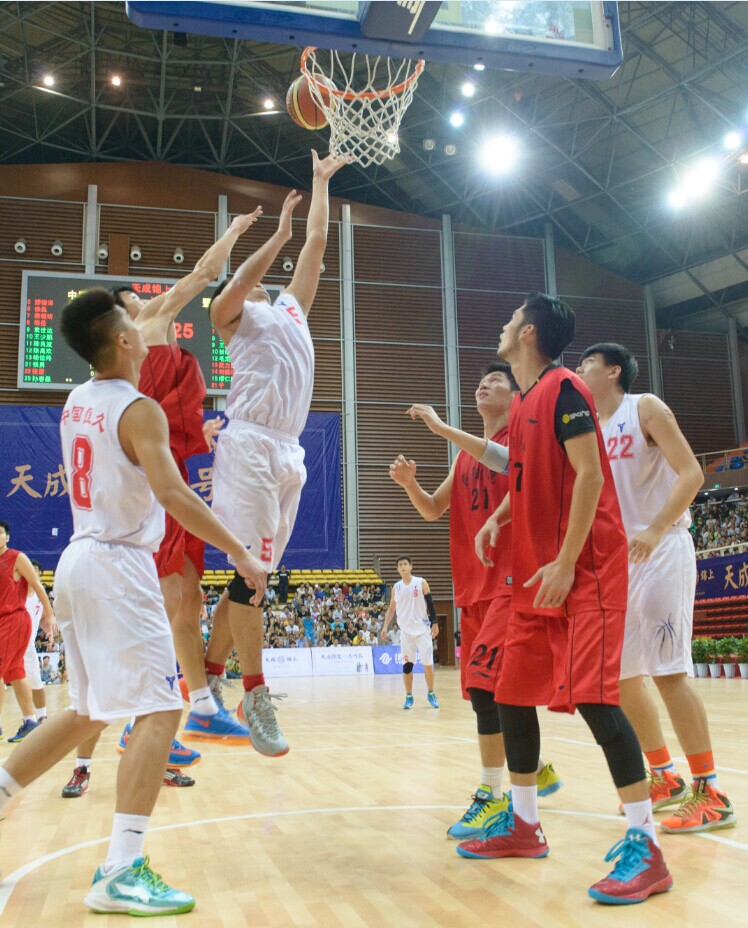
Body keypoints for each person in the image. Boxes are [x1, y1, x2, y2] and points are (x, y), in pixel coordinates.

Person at [0, 287, 267, 916]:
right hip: (118, 566)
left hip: (79, 561)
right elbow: (173, 494)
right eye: (136, 320)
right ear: (123, 340)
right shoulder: (139, 408)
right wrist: (239, 551)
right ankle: (121, 869)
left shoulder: (77, 400)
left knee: (88, 711)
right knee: (161, 707)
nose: (149, 326)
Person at [457, 294, 672, 905]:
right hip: (535, 574)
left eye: (510, 320)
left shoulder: (565, 389)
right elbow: (528, 476)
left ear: (528, 333)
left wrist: (568, 560)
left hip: (585, 573)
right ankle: (524, 824)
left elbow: (591, 475)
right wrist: (497, 518)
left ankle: (647, 846)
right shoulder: (526, 401)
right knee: (510, 693)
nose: (502, 326)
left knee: (597, 702)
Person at [60, 212, 260, 800]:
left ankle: (172, 714)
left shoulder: (86, 397)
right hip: (141, 500)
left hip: (133, 497)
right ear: (123, 327)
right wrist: (236, 233)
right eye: (132, 305)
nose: (144, 306)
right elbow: (202, 273)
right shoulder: (147, 333)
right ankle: (188, 707)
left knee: (187, 597)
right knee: (176, 598)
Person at [200, 149, 348, 757]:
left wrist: (320, 184)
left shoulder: (290, 309)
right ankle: (254, 694)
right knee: (252, 577)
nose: (260, 281)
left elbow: (318, 242)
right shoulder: (227, 314)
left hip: (290, 450)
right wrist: (279, 232)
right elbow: (238, 280)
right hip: (250, 444)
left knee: (251, 578)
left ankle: (205, 682)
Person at [390, 362, 562, 840]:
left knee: (490, 690)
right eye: (481, 380)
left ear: (516, 396)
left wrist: (440, 427)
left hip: (512, 583)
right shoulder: (463, 459)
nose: (484, 384)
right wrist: (409, 485)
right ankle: (535, 767)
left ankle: (493, 795)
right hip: (473, 589)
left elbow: (502, 460)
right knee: (490, 692)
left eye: (497, 380)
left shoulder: (519, 442)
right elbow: (432, 509)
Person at [576, 342, 736, 833]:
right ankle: (664, 775)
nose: (578, 370)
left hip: (662, 546)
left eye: (586, 363)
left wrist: (655, 527)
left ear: (613, 371)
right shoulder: (589, 429)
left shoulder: (643, 407)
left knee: (668, 674)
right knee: (623, 680)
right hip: (618, 563)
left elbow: (692, 473)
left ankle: (710, 791)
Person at [0, 522, 56, 743]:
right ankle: (31, 720)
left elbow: (37, 585)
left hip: (13, 620)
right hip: (4, 622)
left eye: (0, 533)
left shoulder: (17, 558)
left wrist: (49, 614)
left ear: (7, 537)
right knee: (15, 673)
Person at [380, 556, 440, 709]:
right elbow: (391, 609)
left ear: (411, 567)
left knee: (428, 665)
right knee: (407, 666)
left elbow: (430, 604)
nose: (403, 567)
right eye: (400, 565)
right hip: (406, 633)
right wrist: (385, 626)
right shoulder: (396, 587)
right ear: (397, 569)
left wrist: (435, 623)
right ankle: (408, 696)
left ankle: (431, 693)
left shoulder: (421, 582)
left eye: (405, 564)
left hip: (423, 631)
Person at [21, 560, 50, 723]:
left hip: (28, 647)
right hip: (11, 643)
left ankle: (41, 717)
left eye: (36, 570)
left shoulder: (41, 595)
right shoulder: (17, 590)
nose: (32, 572)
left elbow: (43, 619)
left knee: (36, 683)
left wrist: (49, 631)